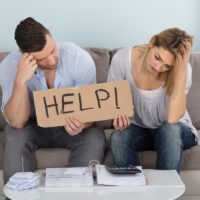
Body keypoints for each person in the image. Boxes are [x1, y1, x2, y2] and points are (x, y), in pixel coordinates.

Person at [0, 17, 105, 184]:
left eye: (52, 50)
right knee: (14, 137)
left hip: (69, 126)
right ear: (24, 55)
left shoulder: (78, 58)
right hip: (32, 126)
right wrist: (20, 81)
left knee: (94, 137)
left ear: (51, 36)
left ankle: (77, 194)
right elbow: (17, 122)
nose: (51, 60)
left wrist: (82, 123)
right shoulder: (8, 66)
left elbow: (91, 113)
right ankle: (17, 193)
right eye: (42, 59)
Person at [107, 28, 199, 172]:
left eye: (167, 66)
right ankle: (134, 190)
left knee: (169, 130)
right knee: (118, 137)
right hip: (141, 130)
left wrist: (180, 72)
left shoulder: (182, 69)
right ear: (152, 42)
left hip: (176, 131)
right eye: (157, 57)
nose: (158, 67)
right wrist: (118, 119)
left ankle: (166, 191)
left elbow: (172, 119)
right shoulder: (122, 59)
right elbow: (112, 104)